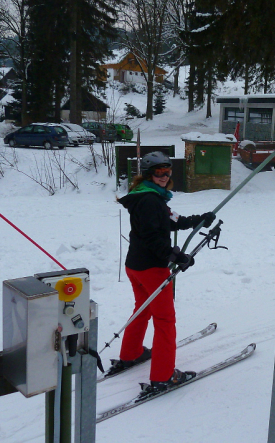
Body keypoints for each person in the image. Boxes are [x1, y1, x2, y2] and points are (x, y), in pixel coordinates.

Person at [108, 151, 215, 391]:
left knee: (142, 310)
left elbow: (171, 220)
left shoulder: (148, 197)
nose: (164, 176)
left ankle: (131, 353)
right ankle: (163, 375)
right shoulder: (150, 201)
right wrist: (177, 257)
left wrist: (201, 220)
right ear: (148, 174)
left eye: (167, 171)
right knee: (165, 320)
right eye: (159, 172)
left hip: (135, 267)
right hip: (151, 269)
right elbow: (152, 238)